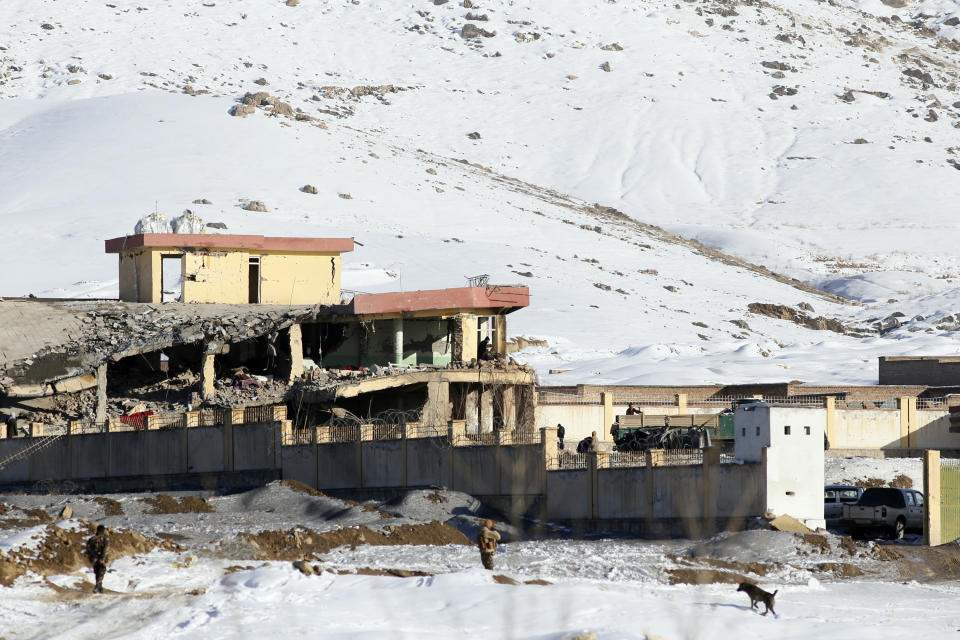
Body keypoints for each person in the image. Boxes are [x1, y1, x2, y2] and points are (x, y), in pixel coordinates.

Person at [86, 524, 109, 594]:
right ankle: (98, 587)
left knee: (97, 571)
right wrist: (102, 558)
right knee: (101, 570)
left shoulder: (92, 539)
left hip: (94, 558)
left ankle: (99, 587)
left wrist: (92, 557)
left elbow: (88, 549)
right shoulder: (105, 539)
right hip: (100, 557)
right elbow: (105, 549)